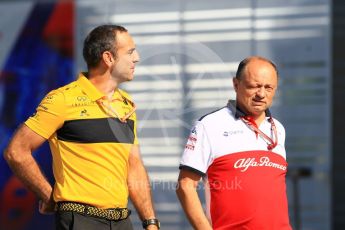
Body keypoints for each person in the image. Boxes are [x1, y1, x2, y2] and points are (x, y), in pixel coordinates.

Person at [3, 25, 160, 230]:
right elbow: (16, 151)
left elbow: (134, 166)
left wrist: (150, 222)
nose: (136, 58)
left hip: (123, 222)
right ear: (108, 58)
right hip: (80, 220)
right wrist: (48, 195)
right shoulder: (62, 99)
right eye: (130, 52)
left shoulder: (126, 104)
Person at [176, 56, 292, 229]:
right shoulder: (209, 125)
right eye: (254, 86)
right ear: (236, 85)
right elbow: (185, 185)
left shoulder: (278, 129)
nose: (261, 94)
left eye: (268, 87)